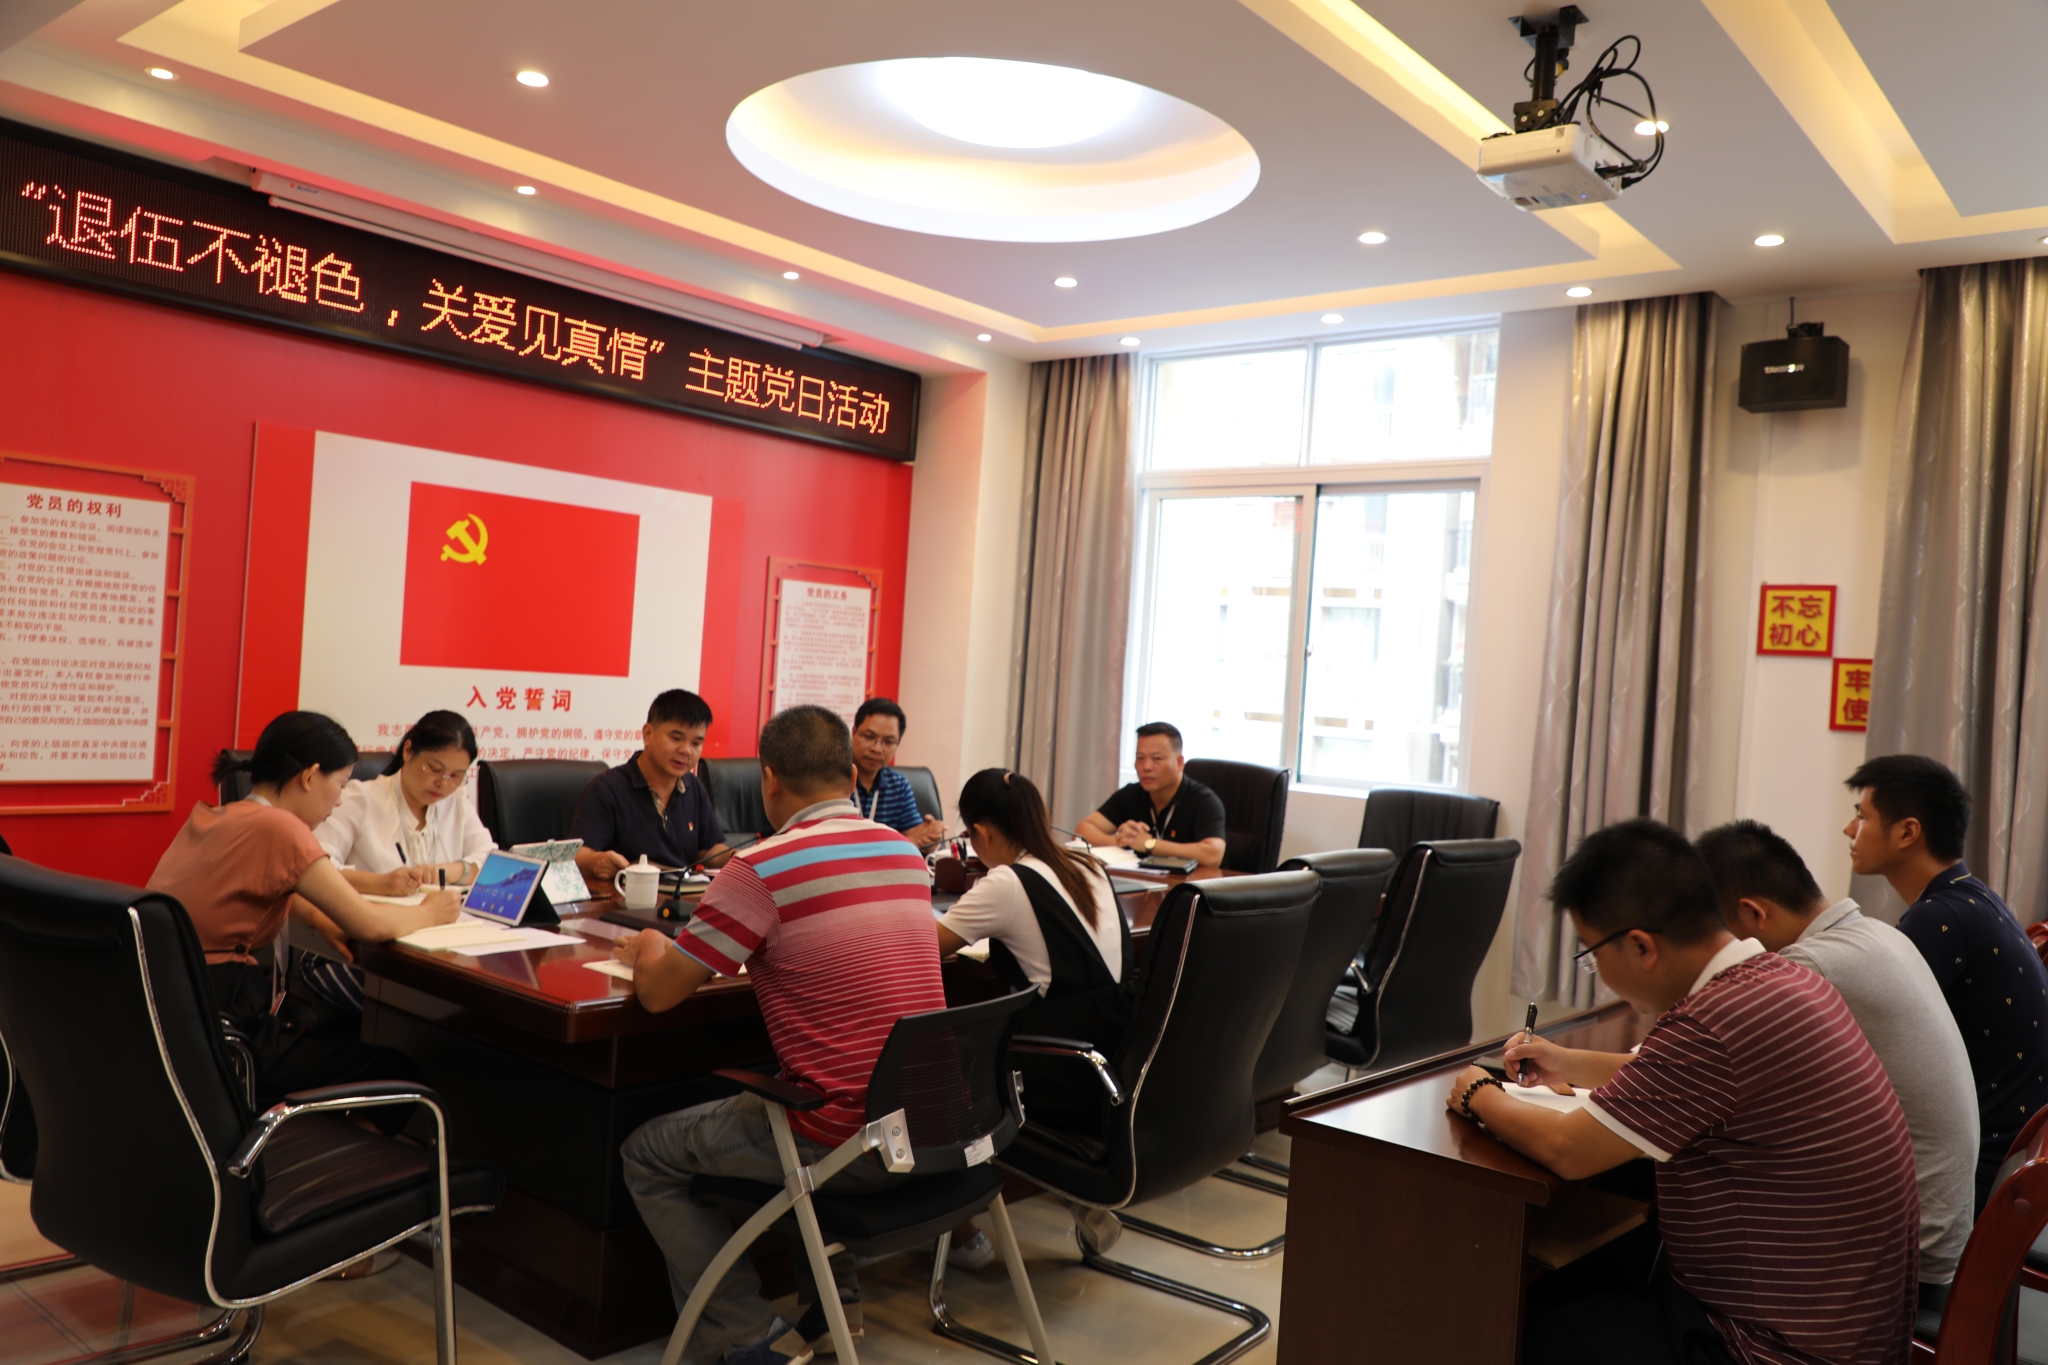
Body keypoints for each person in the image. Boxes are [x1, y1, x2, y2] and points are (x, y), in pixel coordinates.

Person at [1446, 818, 1918, 1365]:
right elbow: (1675, 1076)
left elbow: (1567, 1149)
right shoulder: (1781, 979)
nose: (1598, 971)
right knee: (1589, 1272)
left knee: (1503, 1324)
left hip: (1771, 1346)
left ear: (1641, 946)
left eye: (1593, 955)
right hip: (1843, 1323)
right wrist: (1568, 1063)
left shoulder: (1714, 1021)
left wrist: (1480, 1091)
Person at [614, 705, 946, 1365]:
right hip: (936, 1123)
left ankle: (742, 1334)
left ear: (769, 779)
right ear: (849, 773)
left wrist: (649, 943)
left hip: (848, 1142)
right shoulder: (903, 851)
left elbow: (660, 992)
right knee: (804, 1091)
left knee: (648, 1152)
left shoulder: (761, 867)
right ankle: (833, 1311)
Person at [1696, 819, 1976, 1300]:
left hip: (1900, 1264)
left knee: (1700, 1210)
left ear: (1753, 914)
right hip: (1940, 1236)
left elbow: (1698, 1077)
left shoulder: (1808, 968)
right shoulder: (1879, 934)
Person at [148, 712, 461, 1119]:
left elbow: (263, 890)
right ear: (311, 776)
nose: (339, 801)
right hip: (223, 1023)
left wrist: (319, 918)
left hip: (171, 1011)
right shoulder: (282, 828)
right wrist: (430, 912)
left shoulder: (219, 815)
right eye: (341, 785)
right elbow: (369, 924)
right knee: (397, 1072)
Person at [1844, 753, 2048, 1209]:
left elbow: (1865, 1051)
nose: (1848, 829)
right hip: (2014, 1158)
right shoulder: (1971, 899)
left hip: (1975, 1175)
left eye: (1862, 816)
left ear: (1907, 832)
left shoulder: (1938, 920)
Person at [937, 768, 1130, 1124]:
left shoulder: (1007, 883)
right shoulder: (1089, 864)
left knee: (946, 1047)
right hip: (1119, 1057)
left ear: (982, 832)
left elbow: (924, 948)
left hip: (1059, 1071)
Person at [314, 710, 495, 893]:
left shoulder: (456, 802)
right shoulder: (360, 799)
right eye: (434, 769)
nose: (443, 784)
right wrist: (380, 883)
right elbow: (315, 867)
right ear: (408, 751)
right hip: (373, 910)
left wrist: (444, 872)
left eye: (456, 776)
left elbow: (491, 861)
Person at [573, 689, 733, 883]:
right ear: (648, 734)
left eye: (696, 743)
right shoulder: (607, 788)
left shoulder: (694, 787)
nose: (686, 750)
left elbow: (708, 849)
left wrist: (737, 857)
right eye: (676, 738)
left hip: (683, 895)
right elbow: (580, 856)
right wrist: (597, 861)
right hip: (627, 895)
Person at [1075, 722, 1226, 869]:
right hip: (1143, 880)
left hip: (1190, 883)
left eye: (1157, 759)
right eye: (1140, 758)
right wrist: (1122, 841)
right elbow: (1082, 830)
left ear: (1179, 762)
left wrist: (1150, 845)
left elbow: (1213, 855)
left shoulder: (1204, 801)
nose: (1146, 767)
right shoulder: (1132, 794)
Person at [851, 697, 946, 852]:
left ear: (898, 743)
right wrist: (904, 843)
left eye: (888, 742)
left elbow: (914, 834)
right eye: (869, 737)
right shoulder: (830, 780)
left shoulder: (898, 785)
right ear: (854, 732)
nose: (877, 749)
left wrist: (929, 841)